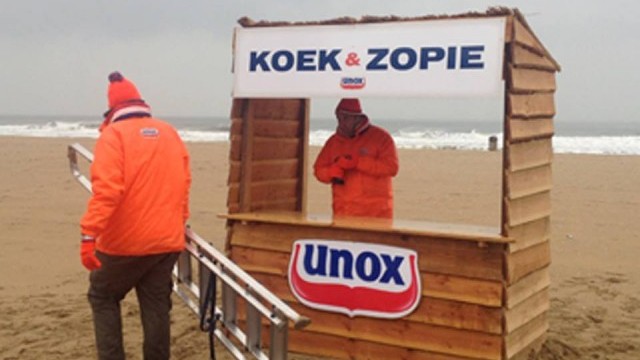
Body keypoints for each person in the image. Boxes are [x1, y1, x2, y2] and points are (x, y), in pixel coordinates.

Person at [79, 71, 191, 360]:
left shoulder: (112, 137)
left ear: (112, 109)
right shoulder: (169, 133)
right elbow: (184, 183)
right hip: (166, 240)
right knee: (155, 305)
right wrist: (179, 223)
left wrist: (88, 235)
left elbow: (106, 192)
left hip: (124, 244)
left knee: (102, 296)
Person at [313, 98, 399, 219]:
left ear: (357, 118)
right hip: (343, 212)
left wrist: (358, 162)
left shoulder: (381, 138)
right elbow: (318, 170)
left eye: (345, 118)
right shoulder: (333, 142)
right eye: (339, 118)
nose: (341, 122)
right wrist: (331, 172)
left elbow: (392, 168)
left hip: (375, 214)